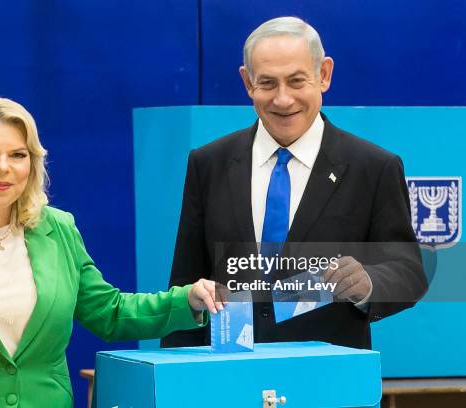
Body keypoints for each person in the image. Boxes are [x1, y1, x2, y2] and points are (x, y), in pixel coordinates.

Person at [0, 97, 224, 407]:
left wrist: (187, 301)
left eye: (18, 155)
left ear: (32, 165)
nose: (3, 167)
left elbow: (109, 312)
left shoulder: (58, 228)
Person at [161, 16, 428, 350]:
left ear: (324, 75)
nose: (283, 100)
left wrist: (368, 282)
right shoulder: (208, 163)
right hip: (227, 374)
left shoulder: (373, 167)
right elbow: (186, 283)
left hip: (328, 379)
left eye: (297, 81)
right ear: (247, 82)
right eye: (268, 84)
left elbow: (408, 270)